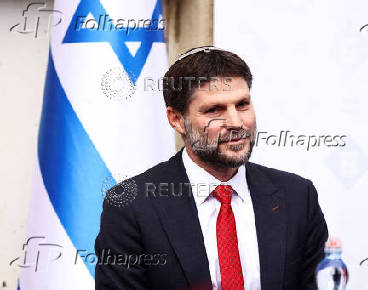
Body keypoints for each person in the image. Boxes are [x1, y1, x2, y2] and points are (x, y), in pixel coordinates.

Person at [95, 46, 329, 290]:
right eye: (214, 110)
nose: (236, 123)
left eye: (242, 105)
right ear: (176, 119)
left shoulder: (297, 196)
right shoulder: (133, 207)